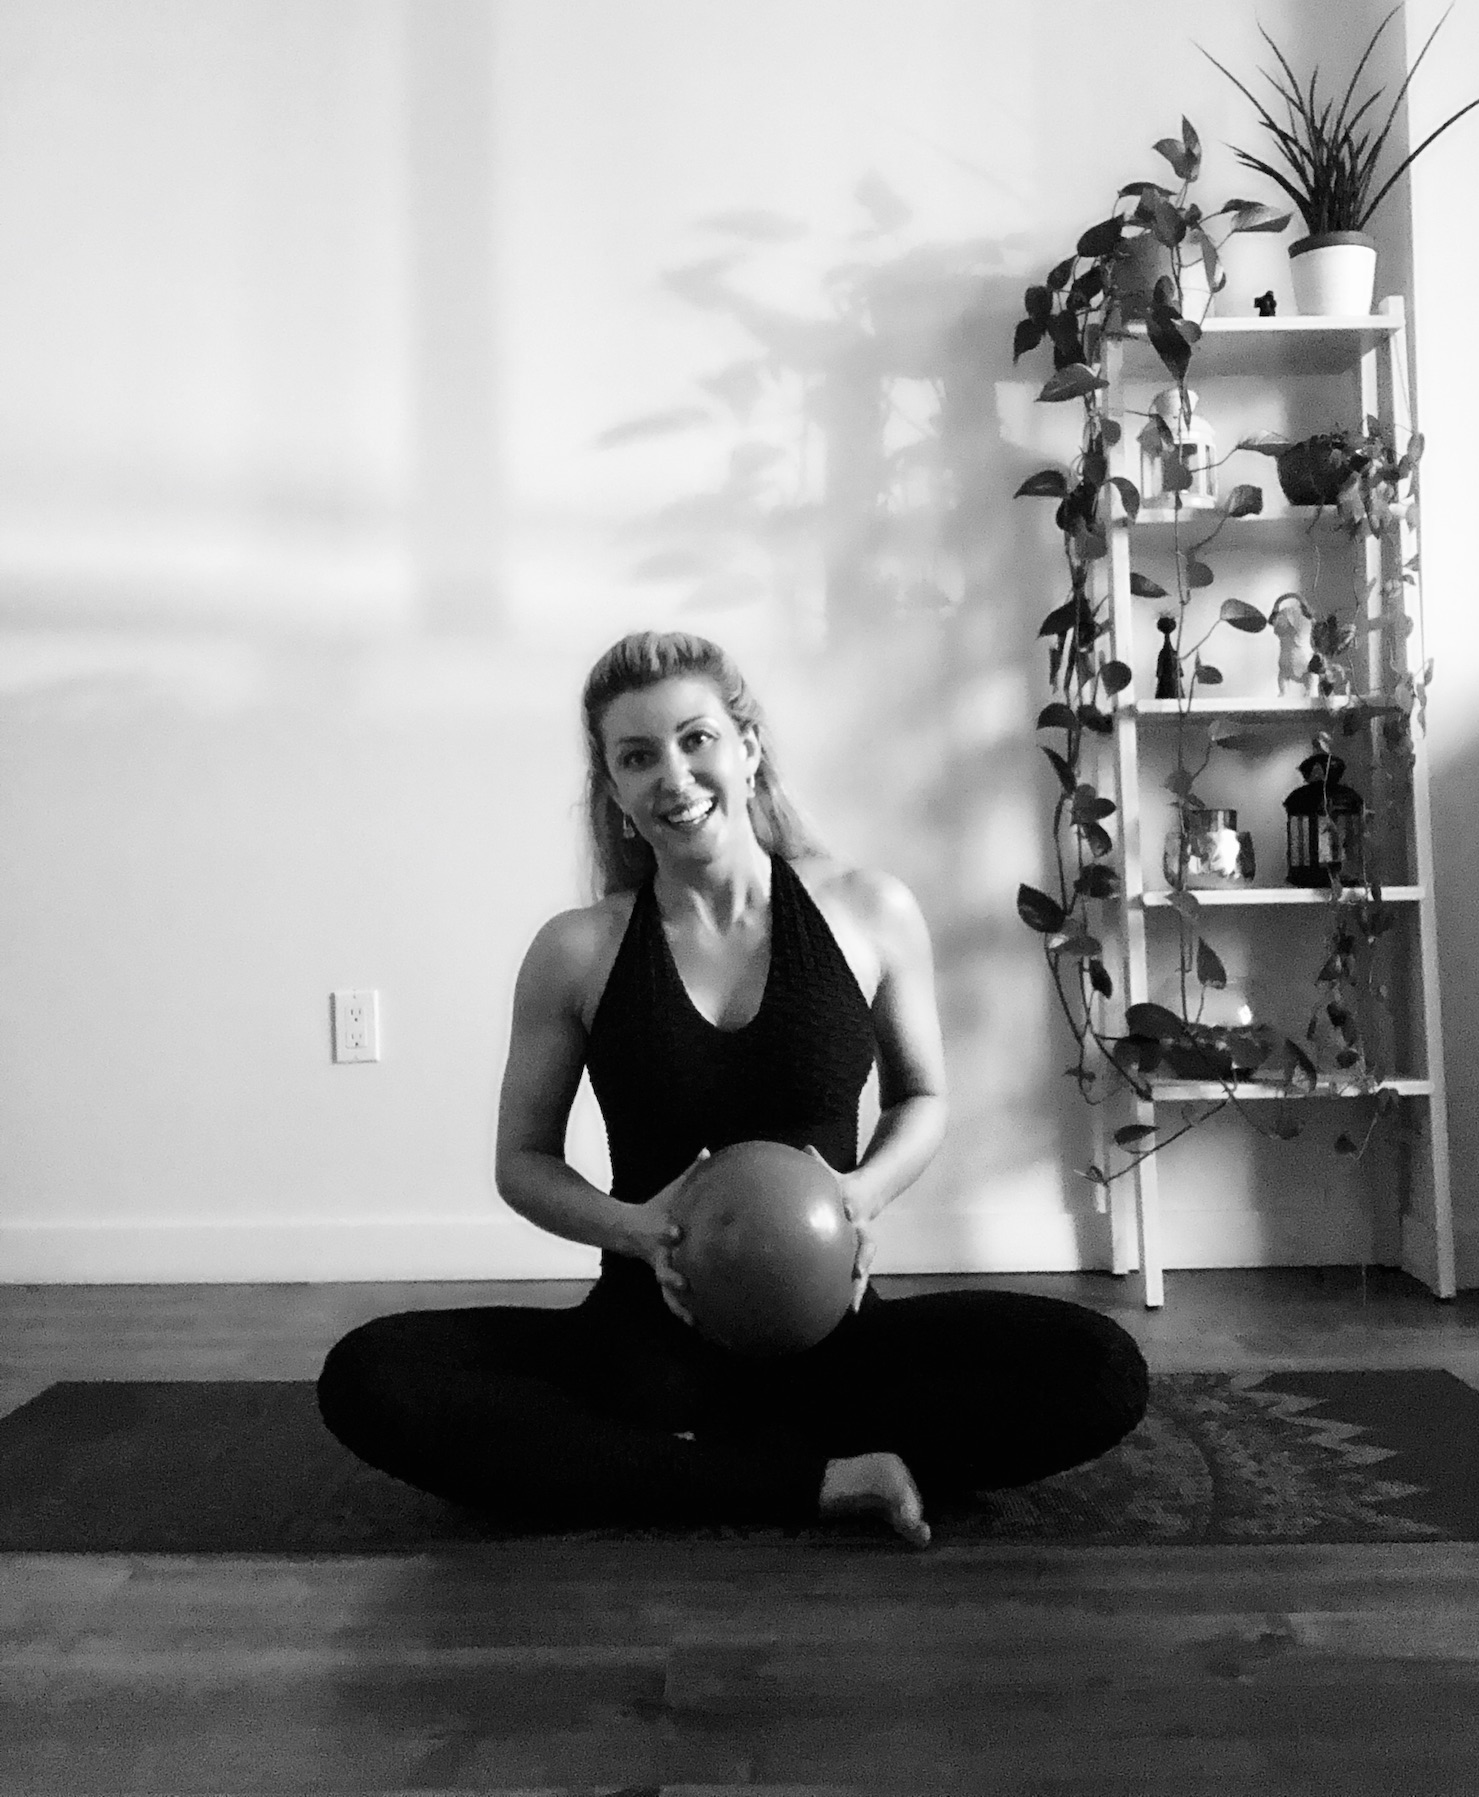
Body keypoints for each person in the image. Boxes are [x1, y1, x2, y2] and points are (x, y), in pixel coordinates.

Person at [316, 630, 1149, 1548]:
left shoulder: (869, 909)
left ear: (748, 747)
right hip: (646, 1342)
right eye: (638, 757)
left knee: (1100, 1368)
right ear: (614, 790)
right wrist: (635, 1229)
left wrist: (861, 1194)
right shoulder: (576, 950)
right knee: (369, 1376)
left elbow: (923, 1098)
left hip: (832, 1335)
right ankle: (820, 1475)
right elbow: (523, 1162)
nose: (673, 776)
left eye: (696, 739)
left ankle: (677, 1467)